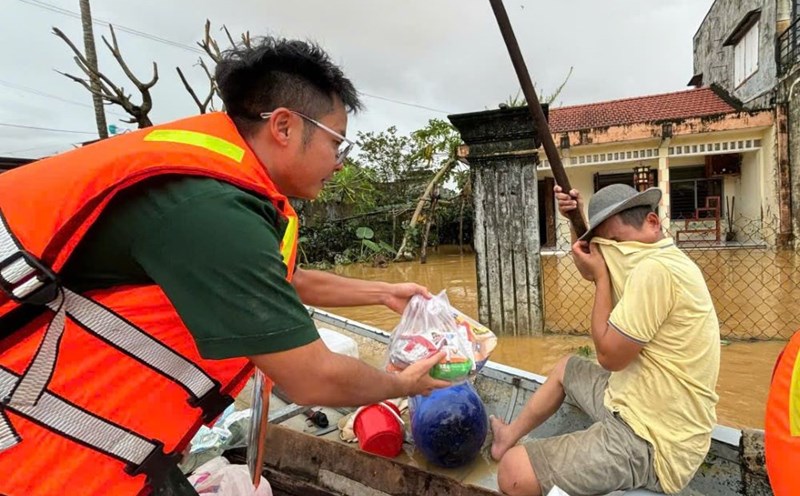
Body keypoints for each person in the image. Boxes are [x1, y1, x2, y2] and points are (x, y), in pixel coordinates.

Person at [0, 37, 449, 495]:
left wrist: (380, 293)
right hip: (31, 440)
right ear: (284, 126)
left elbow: (280, 281)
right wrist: (400, 385)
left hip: (84, 412)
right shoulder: (208, 209)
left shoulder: (214, 182)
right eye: (337, 143)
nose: (338, 163)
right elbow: (312, 377)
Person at [490, 183, 721, 496]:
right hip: (632, 400)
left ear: (652, 222)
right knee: (566, 368)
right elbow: (593, 266)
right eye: (605, 245)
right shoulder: (647, 254)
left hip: (653, 441)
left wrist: (600, 280)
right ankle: (507, 436)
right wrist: (575, 221)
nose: (611, 252)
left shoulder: (656, 270)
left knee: (512, 473)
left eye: (615, 241)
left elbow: (610, 357)